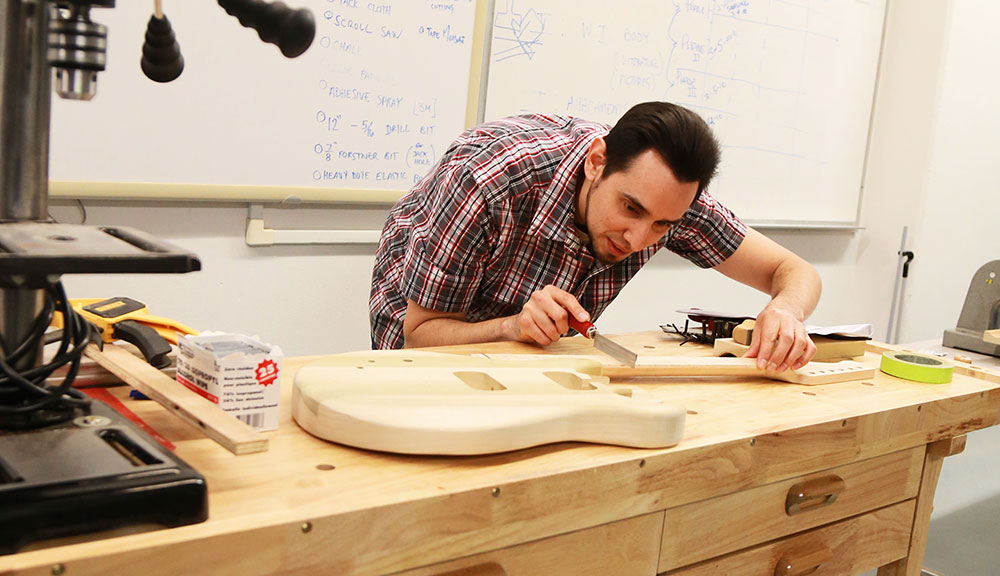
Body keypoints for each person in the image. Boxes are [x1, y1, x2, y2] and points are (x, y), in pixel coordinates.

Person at [369, 101, 821, 371]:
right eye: (631, 208)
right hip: (423, 316)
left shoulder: (668, 199)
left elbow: (794, 271)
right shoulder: (488, 182)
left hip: (531, 344)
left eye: (663, 225)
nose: (639, 238)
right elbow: (420, 336)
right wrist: (510, 327)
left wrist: (785, 309)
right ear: (596, 161)